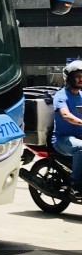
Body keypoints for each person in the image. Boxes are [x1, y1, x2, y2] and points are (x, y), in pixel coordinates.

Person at [52, 60, 82, 202]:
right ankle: (75, 185)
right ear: (69, 78)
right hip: (62, 140)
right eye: (78, 75)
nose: (81, 79)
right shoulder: (61, 95)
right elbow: (65, 115)